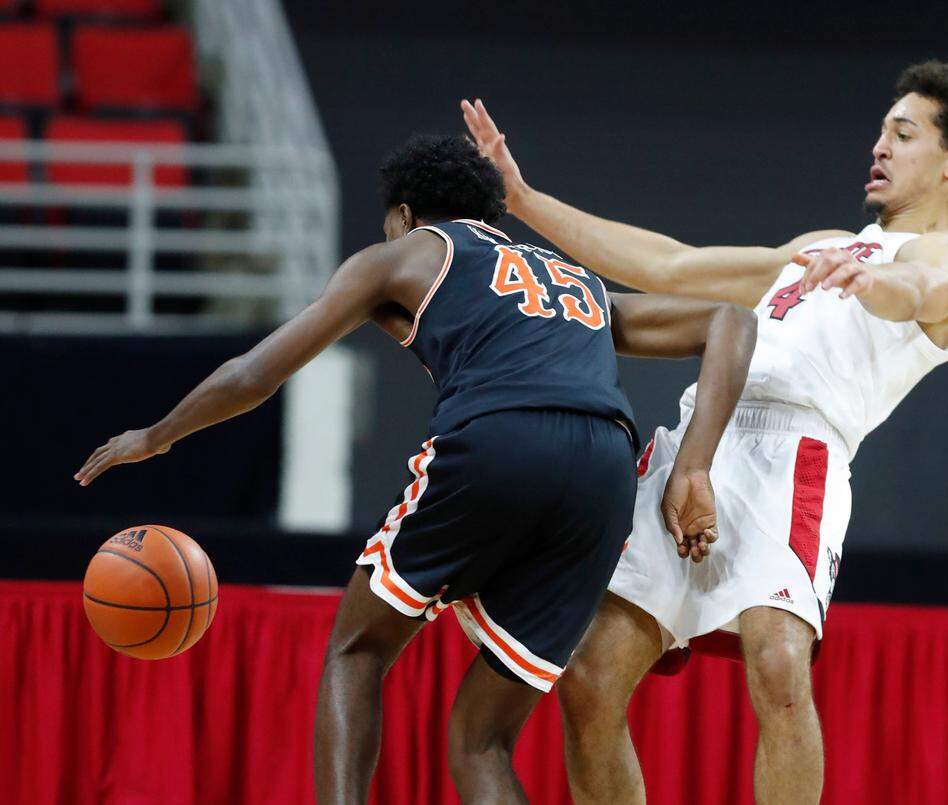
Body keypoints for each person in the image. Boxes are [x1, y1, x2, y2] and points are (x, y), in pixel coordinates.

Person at [74, 134, 757, 804]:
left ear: (403, 215)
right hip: (605, 470)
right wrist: (691, 464)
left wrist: (157, 434)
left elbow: (256, 371)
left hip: (500, 437)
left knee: (357, 650)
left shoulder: (403, 255)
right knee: (479, 739)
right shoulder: (569, 280)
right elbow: (731, 320)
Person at [462, 59, 948, 804]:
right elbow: (671, 263)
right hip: (703, 433)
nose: (879, 147)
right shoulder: (824, 242)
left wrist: (873, 282)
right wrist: (522, 199)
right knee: (590, 674)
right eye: (882, 131)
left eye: (904, 134)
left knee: (781, 666)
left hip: (797, 454)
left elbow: (917, 291)